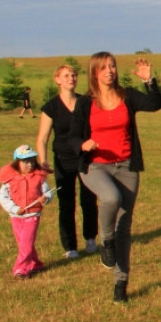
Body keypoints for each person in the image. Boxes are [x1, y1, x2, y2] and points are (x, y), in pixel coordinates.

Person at [69, 53, 161, 304]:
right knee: (111, 197)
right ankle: (104, 240)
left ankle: (120, 284)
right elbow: (72, 137)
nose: (110, 71)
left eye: (112, 66)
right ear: (95, 73)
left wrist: (149, 80)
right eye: (104, 68)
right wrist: (84, 144)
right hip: (95, 166)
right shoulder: (85, 103)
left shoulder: (128, 96)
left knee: (125, 228)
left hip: (126, 167)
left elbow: (155, 104)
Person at [36, 64, 99, 260]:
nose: (71, 78)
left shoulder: (86, 102)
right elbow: (42, 138)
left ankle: (90, 238)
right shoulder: (51, 107)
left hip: (85, 158)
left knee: (89, 201)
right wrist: (43, 161)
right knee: (66, 203)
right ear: (58, 80)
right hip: (63, 160)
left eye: (73, 75)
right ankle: (70, 246)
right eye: (66, 75)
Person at [0, 145, 53, 278]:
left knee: (26, 243)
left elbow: (48, 193)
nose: (30, 164)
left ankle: (21, 269)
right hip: (16, 216)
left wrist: (45, 199)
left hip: (32, 215)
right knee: (23, 243)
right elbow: (2, 196)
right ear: (17, 163)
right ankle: (36, 264)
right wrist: (14, 209)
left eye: (32, 161)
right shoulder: (9, 179)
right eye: (25, 161)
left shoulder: (39, 177)